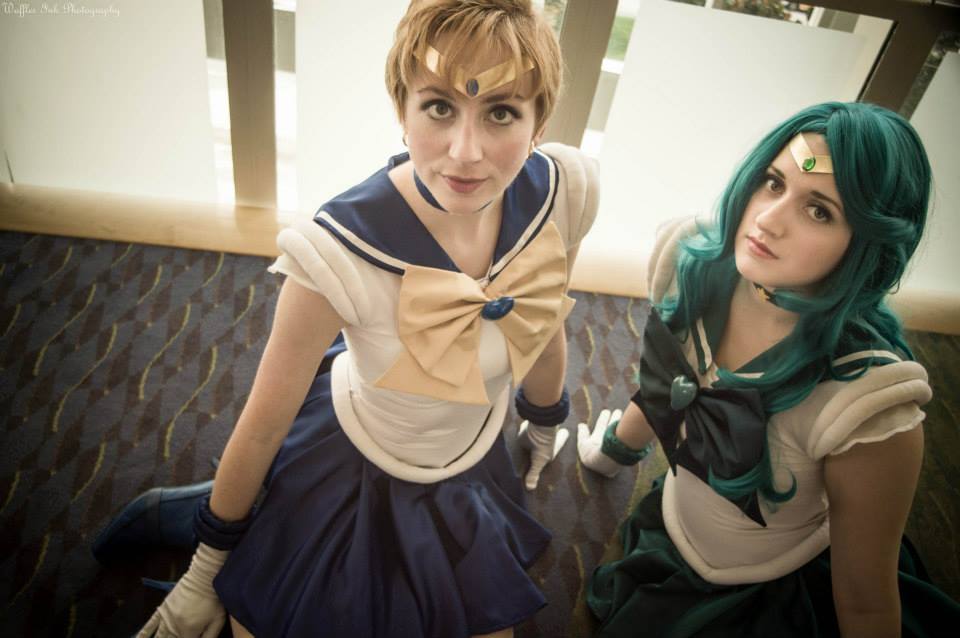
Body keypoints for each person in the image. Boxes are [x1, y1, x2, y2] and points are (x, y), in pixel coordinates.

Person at [93, 1, 599, 636]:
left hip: (469, 456)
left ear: (539, 121)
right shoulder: (332, 253)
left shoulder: (566, 191)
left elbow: (545, 319)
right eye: (439, 107)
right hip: (352, 459)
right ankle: (203, 512)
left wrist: (546, 416)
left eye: (500, 112)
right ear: (401, 109)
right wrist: (205, 571)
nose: (465, 152)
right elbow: (260, 426)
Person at [576, 101, 960, 637]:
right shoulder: (693, 263)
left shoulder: (868, 406)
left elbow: (866, 603)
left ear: (867, 247)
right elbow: (671, 385)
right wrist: (613, 451)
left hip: (769, 593)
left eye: (819, 211)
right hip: (675, 523)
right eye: (774, 182)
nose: (767, 219)